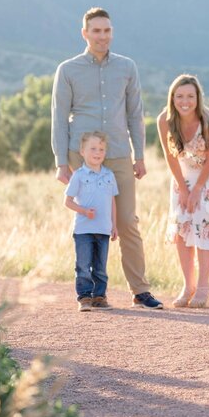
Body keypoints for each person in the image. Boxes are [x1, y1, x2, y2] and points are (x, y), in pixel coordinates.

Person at [52, 7, 164, 309]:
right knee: (90, 223)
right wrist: (61, 161)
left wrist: (139, 155)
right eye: (96, 30)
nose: (102, 36)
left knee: (127, 221)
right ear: (85, 33)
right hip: (81, 155)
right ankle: (90, 293)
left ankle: (140, 291)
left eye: (107, 30)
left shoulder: (127, 67)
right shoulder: (68, 69)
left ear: (112, 32)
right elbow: (60, 118)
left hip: (117, 154)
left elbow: (135, 114)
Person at [155, 74, 209, 308]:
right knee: (182, 224)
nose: (185, 101)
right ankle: (188, 286)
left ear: (198, 98)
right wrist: (183, 188)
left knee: (203, 219)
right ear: (172, 98)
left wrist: (197, 190)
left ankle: (204, 287)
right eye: (179, 96)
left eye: (190, 96)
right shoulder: (164, 120)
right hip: (184, 170)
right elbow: (170, 156)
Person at [64, 132, 119, 311]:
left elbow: (112, 202)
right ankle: (85, 297)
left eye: (101, 149)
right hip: (83, 229)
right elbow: (68, 201)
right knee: (83, 265)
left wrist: (114, 225)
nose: (98, 152)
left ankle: (99, 297)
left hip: (103, 228)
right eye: (93, 148)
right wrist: (84, 211)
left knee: (100, 267)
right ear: (82, 151)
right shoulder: (78, 175)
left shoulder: (109, 175)